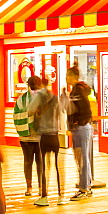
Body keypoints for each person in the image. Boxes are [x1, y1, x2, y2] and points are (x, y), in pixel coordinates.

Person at [62, 66, 94, 201]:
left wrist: (78, 121)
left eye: (68, 76)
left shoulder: (78, 91)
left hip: (81, 127)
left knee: (82, 159)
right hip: (81, 127)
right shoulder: (77, 90)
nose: (66, 78)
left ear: (74, 77)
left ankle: (84, 188)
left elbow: (83, 109)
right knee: (81, 158)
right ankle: (87, 185)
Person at [33, 77, 65, 205]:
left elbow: (30, 109)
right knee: (58, 166)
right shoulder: (55, 97)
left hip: (44, 135)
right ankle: (60, 196)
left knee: (44, 167)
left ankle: (44, 196)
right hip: (55, 134)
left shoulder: (39, 96)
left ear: (41, 84)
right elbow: (61, 113)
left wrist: (38, 113)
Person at [13, 76, 45, 201]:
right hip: (40, 135)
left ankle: (29, 187)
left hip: (24, 135)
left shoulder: (21, 99)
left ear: (28, 85)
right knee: (40, 162)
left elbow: (16, 115)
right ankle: (41, 187)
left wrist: (27, 114)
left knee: (28, 161)